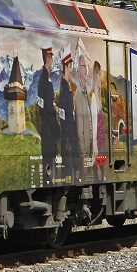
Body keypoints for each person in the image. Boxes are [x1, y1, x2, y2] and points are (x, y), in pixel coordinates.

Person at [34, 47, 59, 182]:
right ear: (48, 57)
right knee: (50, 176)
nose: (53, 60)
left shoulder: (44, 78)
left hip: (48, 134)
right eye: (52, 57)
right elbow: (48, 110)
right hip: (49, 135)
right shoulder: (44, 80)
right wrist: (56, 130)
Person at [57, 53, 79, 182]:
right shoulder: (65, 91)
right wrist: (69, 138)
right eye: (70, 67)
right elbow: (65, 118)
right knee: (68, 175)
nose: (72, 71)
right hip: (68, 140)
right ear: (65, 67)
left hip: (68, 139)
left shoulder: (65, 88)